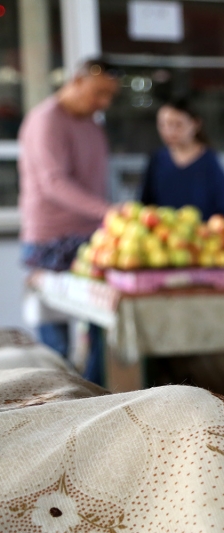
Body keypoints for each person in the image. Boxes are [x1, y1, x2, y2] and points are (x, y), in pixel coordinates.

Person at [18, 57, 121, 384]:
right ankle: (55, 402)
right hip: (50, 239)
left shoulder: (92, 124)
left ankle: (90, 396)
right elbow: (54, 183)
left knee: (101, 321)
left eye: (109, 96)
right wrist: (108, 211)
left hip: (89, 238)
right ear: (76, 81)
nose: (103, 103)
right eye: (98, 93)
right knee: (55, 340)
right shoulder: (45, 120)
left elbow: (98, 180)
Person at [140, 98, 224, 220]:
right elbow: (144, 206)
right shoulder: (157, 160)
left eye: (178, 124)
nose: (170, 131)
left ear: (195, 124)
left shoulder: (209, 162)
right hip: (162, 235)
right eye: (164, 125)